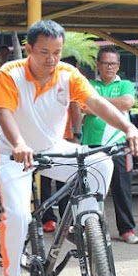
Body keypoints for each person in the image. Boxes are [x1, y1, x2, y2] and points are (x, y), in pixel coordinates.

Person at [0, 20, 138, 276]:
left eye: (57, 51)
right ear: (28, 49)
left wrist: (129, 128)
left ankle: (85, 223)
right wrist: (18, 144)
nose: (51, 59)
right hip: (13, 153)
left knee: (101, 161)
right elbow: (4, 112)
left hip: (53, 149)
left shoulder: (67, 74)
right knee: (19, 215)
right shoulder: (10, 73)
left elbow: (97, 102)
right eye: (43, 52)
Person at [81, 46, 138, 244]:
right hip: (92, 143)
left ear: (118, 65)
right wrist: (97, 104)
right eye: (105, 63)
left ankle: (126, 230)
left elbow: (127, 103)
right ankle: (92, 228)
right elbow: (82, 105)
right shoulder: (88, 84)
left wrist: (97, 103)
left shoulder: (125, 84)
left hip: (119, 143)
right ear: (98, 64)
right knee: (92, 189)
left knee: (121, 188)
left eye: (113, 63)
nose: (109, 67)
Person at [40, 55, 82, 233]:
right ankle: (47, 218)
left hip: (64, 138)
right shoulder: (43, 83)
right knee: (44, 179)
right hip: (42, 140)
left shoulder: (72, 87)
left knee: (65, 180)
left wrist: (77, 134)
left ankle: (66, 218)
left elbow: (76, 109)